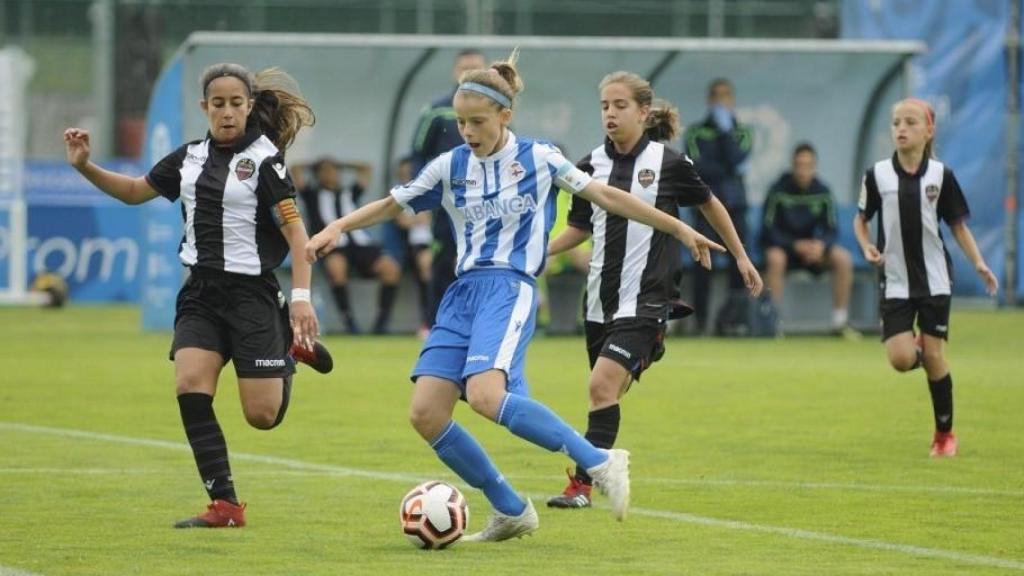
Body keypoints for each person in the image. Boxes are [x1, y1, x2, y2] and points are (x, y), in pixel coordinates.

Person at [306, 50, 725, 541]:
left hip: (509, 288)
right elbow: (390, 204)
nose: (468, 131)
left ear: (505, 115)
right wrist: (336, 226)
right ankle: (510, 508)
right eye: (461, 122)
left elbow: (608, 196)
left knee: (486, 395)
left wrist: (677, 227)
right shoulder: (450, 165)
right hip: (462, 293)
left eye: (478, 121)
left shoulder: (539, 157)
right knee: (426, 413)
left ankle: (599, 461)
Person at [63, 63, 334, 528]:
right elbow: (133, 192)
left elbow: (296, 231)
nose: (227, 113)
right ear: (203, 107)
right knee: (190, 384)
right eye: (218, 103)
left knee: (262, 417)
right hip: (202, 294)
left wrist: (303, 296)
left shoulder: (265, 160)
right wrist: (85, 165)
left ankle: (287, 343)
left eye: (236, 103)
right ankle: (225, 506)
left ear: (249, 106)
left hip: (253, 297)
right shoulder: (187, 158)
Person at [544, 71, 762, 509]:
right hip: (600, 302)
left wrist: (740, 256)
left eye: (620, 105)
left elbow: (710, 203)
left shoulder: (669, 163)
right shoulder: (588, 167)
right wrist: (538, 254)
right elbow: (579, 228)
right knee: (603, 394)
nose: (610, 113)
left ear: (644, 112)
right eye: (605, 106)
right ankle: (592, 476)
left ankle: (582, 487)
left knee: (601, 388)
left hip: (648, 298)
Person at [853, 98, 998, 458]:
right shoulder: (877, 175)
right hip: (896, 280)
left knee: (934, 357)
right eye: (896, 122)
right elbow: (861, 218)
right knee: (901, 360)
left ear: (929, 131)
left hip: (935, 281)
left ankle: (944, 435)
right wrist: (866, 245)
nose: (901, 128)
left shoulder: (941, 176)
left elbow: (958, 226)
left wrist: (979, 263)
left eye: (911, 122)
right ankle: (920, 350)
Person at [410, 49, 488, 328]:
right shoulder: (437, 109)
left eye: (476, 68)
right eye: (465, 68)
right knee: (443, 260)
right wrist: (421, 199)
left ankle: (475, 322)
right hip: (446, 200)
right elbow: (418, 153)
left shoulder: (495, 111)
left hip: (483, 201)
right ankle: (434, 323)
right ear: (456, 72)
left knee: (481, 260)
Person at [761, 143, 857, 336]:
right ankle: (773, 324)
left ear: (814, 166)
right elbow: (768, 230)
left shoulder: (823, 191)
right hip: (785, 249)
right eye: (799, 165)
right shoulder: (778, 191)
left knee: (842, 259)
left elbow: (832, 228)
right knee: (775, 258)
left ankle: (839, 322)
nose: (803, 170)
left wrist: (821, 246)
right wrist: (795, 245)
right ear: (793, 165)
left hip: (813, 252)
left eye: (808, 165)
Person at [299, 157, 402, 334]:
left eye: (333, 170)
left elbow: (365, 168)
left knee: (391, 269)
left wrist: (341, 164)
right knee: (337, 269)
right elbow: (295, 169)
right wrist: (317, 164)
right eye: (325, 171)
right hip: (333, 246)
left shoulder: (350, 192)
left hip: (361, 244)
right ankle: (349, 322)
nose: (330, 173)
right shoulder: (311, 194)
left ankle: (381, 323)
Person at [684, 78, 754, 333]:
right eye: (716, 96)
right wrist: (726, 167)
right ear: (709, 100)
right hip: (705, 206)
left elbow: (737, 158)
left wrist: (725, 133)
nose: (721, 101)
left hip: (737, 206)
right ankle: (701, 321)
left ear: (732, 100)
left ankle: (734, 321)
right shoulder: (695, 132)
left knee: (740, 261)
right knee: (703, 263)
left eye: (726, 95)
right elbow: (697, 167)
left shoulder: (743, 132)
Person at [391, 156, 434, 338]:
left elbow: (428, 218)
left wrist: (416, 220)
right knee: (426, 266)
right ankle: (428, 321)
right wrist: (417, 220)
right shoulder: (398, 194)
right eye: (404, 174)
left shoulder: (431, 189)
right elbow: (402, 222)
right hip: (415, 246)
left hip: (438, 243)